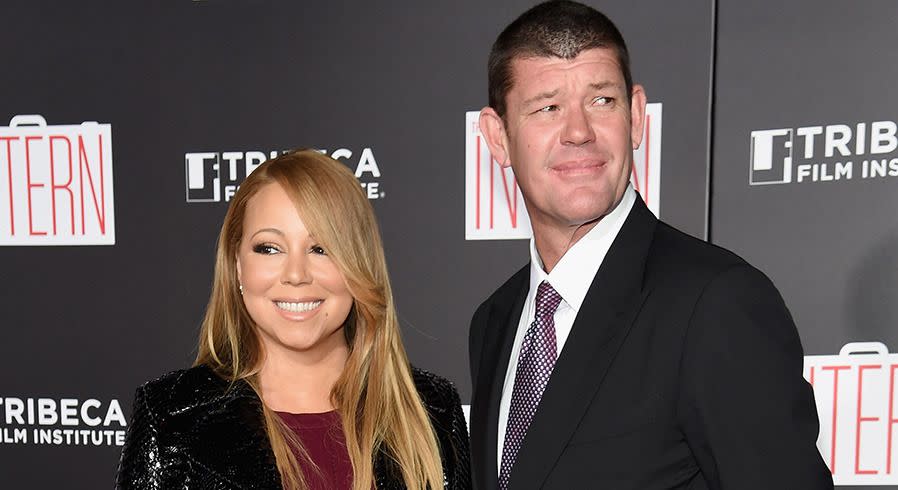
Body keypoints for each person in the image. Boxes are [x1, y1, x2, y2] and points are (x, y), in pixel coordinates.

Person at [468, 2, 833, 489]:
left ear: (636, 116)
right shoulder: (495, 320)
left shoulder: (715, 302)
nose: (579, 132)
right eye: (547, 108)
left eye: (602, 101)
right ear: (498, 137)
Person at [116, 150, 471, 490]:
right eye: (270, 248)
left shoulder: (433, 412)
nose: (296, 274)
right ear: (237, 265)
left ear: (359, 265)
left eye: (321, 249)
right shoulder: (171, 419)